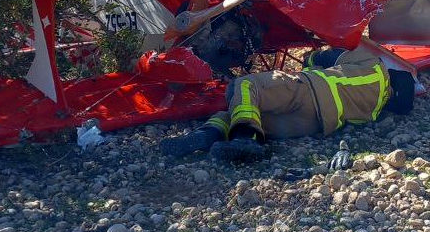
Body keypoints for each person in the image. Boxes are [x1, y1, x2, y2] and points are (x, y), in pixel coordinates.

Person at [160, 45, 415, 162]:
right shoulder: (376, 110)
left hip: (307, 91)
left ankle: (245, 138)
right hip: (314, 123)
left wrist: (310, 59)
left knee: (245, 87)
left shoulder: (375, 66)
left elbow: (327, 55)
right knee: (247, 110)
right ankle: (209, 136)